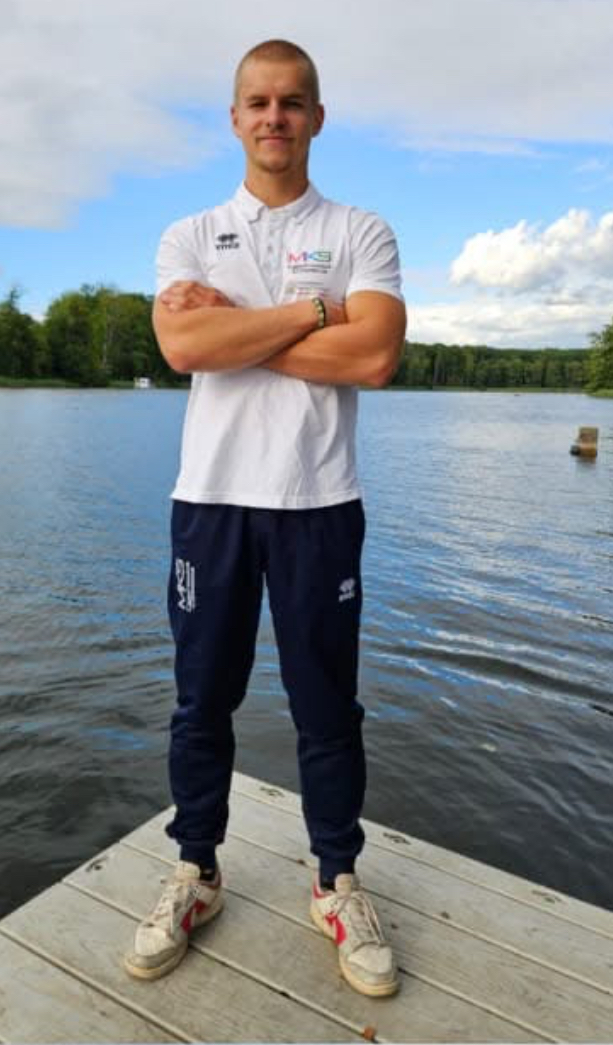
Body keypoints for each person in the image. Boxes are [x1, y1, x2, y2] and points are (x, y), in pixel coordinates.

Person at [124, 38, 406, 998]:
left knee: (327, 707)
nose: (274, 117)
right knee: (201, 700)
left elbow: (374, 359)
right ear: (235, 118)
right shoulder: (190, 234)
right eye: (258, 102)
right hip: (210, 502)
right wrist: (318, 314)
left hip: (318, 503)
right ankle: (195, 870)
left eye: (291, 102)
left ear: (316, 117)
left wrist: (235, 329)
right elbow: (180, 347)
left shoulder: (360, 230)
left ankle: (337, 882)